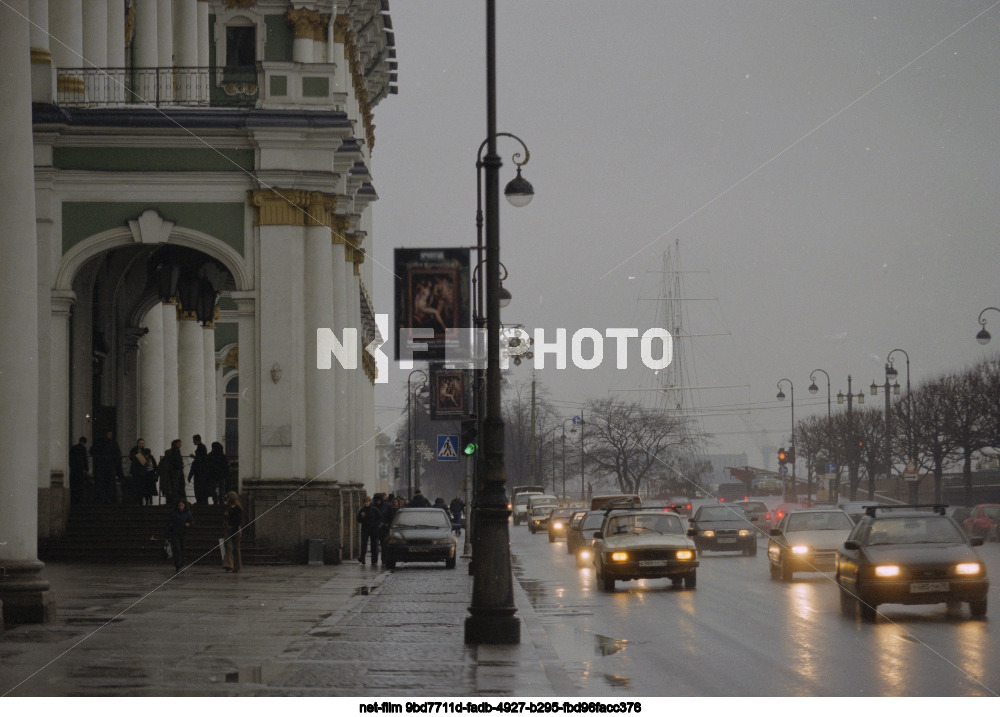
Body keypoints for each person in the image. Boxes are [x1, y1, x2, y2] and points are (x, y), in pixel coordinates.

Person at [90, 430, 124, 504]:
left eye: (111, 434)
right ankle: (102, 499)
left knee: (109, 483)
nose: (110, 436)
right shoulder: (101, 443)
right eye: (109, 434)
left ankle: (109, 499)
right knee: (102, 483)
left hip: (109, 467)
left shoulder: (113, 443)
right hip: (102, 467)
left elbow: (117, 455)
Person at [165, 499, 194, 573]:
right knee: (177, 548)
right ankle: (178, 564)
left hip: (183, 533)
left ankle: (181, 563)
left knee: (182, 548)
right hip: (175, 532)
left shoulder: (187, 513)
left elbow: (192, 522)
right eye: (179, 505)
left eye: (182, 505)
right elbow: (169, 523)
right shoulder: (174, 513)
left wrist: (189, 524)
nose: (181, 507)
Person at [129, 438, 158, 506]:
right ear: (137, 444)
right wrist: (139, 455)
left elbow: (146, 461)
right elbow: (134, 459)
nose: (141, 445)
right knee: (138, 488)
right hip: (137, 472)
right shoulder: (134, 450)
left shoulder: (146, 451)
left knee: (146, 488)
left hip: (146, 473)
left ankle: (148, 501)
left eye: (142, 443)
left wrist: (140, 454)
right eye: (140, 443)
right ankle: (139, 501)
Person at [222, 491, 243, 573]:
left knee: (236, 548)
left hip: (235, 529)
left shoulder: (237, 508)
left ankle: (237, 566)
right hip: (228, 529)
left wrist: (232, 526)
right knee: (228, 546)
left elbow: (238, 520)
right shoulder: (227, 508)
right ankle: (228, 564)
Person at [356, 496, 381, 566]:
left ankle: (374, 560)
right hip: (365, 529)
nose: (366, 503)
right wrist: (361, 517)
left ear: (370, 502)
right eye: (365, 502)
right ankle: (362, 558)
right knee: (363, 544)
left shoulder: (374, 509)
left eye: (367, 502)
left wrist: (376, 524)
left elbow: (379, 518)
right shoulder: (362, 510)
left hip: (374, 529)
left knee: (374, 545)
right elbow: (358, 520)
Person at [188, 434, 212, 504]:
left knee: (198, 488)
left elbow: (201, 459)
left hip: (199, 472)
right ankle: (202, 501)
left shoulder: (200, 447)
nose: (193, 442)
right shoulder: (202, 447)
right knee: (201, 488)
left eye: (193, 440)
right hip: (202, 472)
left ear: (196, 440)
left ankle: (200, 501)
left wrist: (194, 457)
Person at [162, 439, 185, 505]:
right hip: (175, 471)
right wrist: (180, 466)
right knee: (176, 485)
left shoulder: (171, 451)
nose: (180, 444)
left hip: (174, 471)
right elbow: (176, 461)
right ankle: (176, 499)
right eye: (179, 443)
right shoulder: (175, 451)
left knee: (175, 485)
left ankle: (174, 499)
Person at [69, 436, 90, 505]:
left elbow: (70, 458)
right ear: (84, 442)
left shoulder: (73, 448)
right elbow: (85, 460)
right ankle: (79, 500)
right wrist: (86, 469)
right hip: (80, 469)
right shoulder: (83, 448)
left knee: (74, 484)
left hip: (73, 469)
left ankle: (73, 499)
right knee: (80, 484)